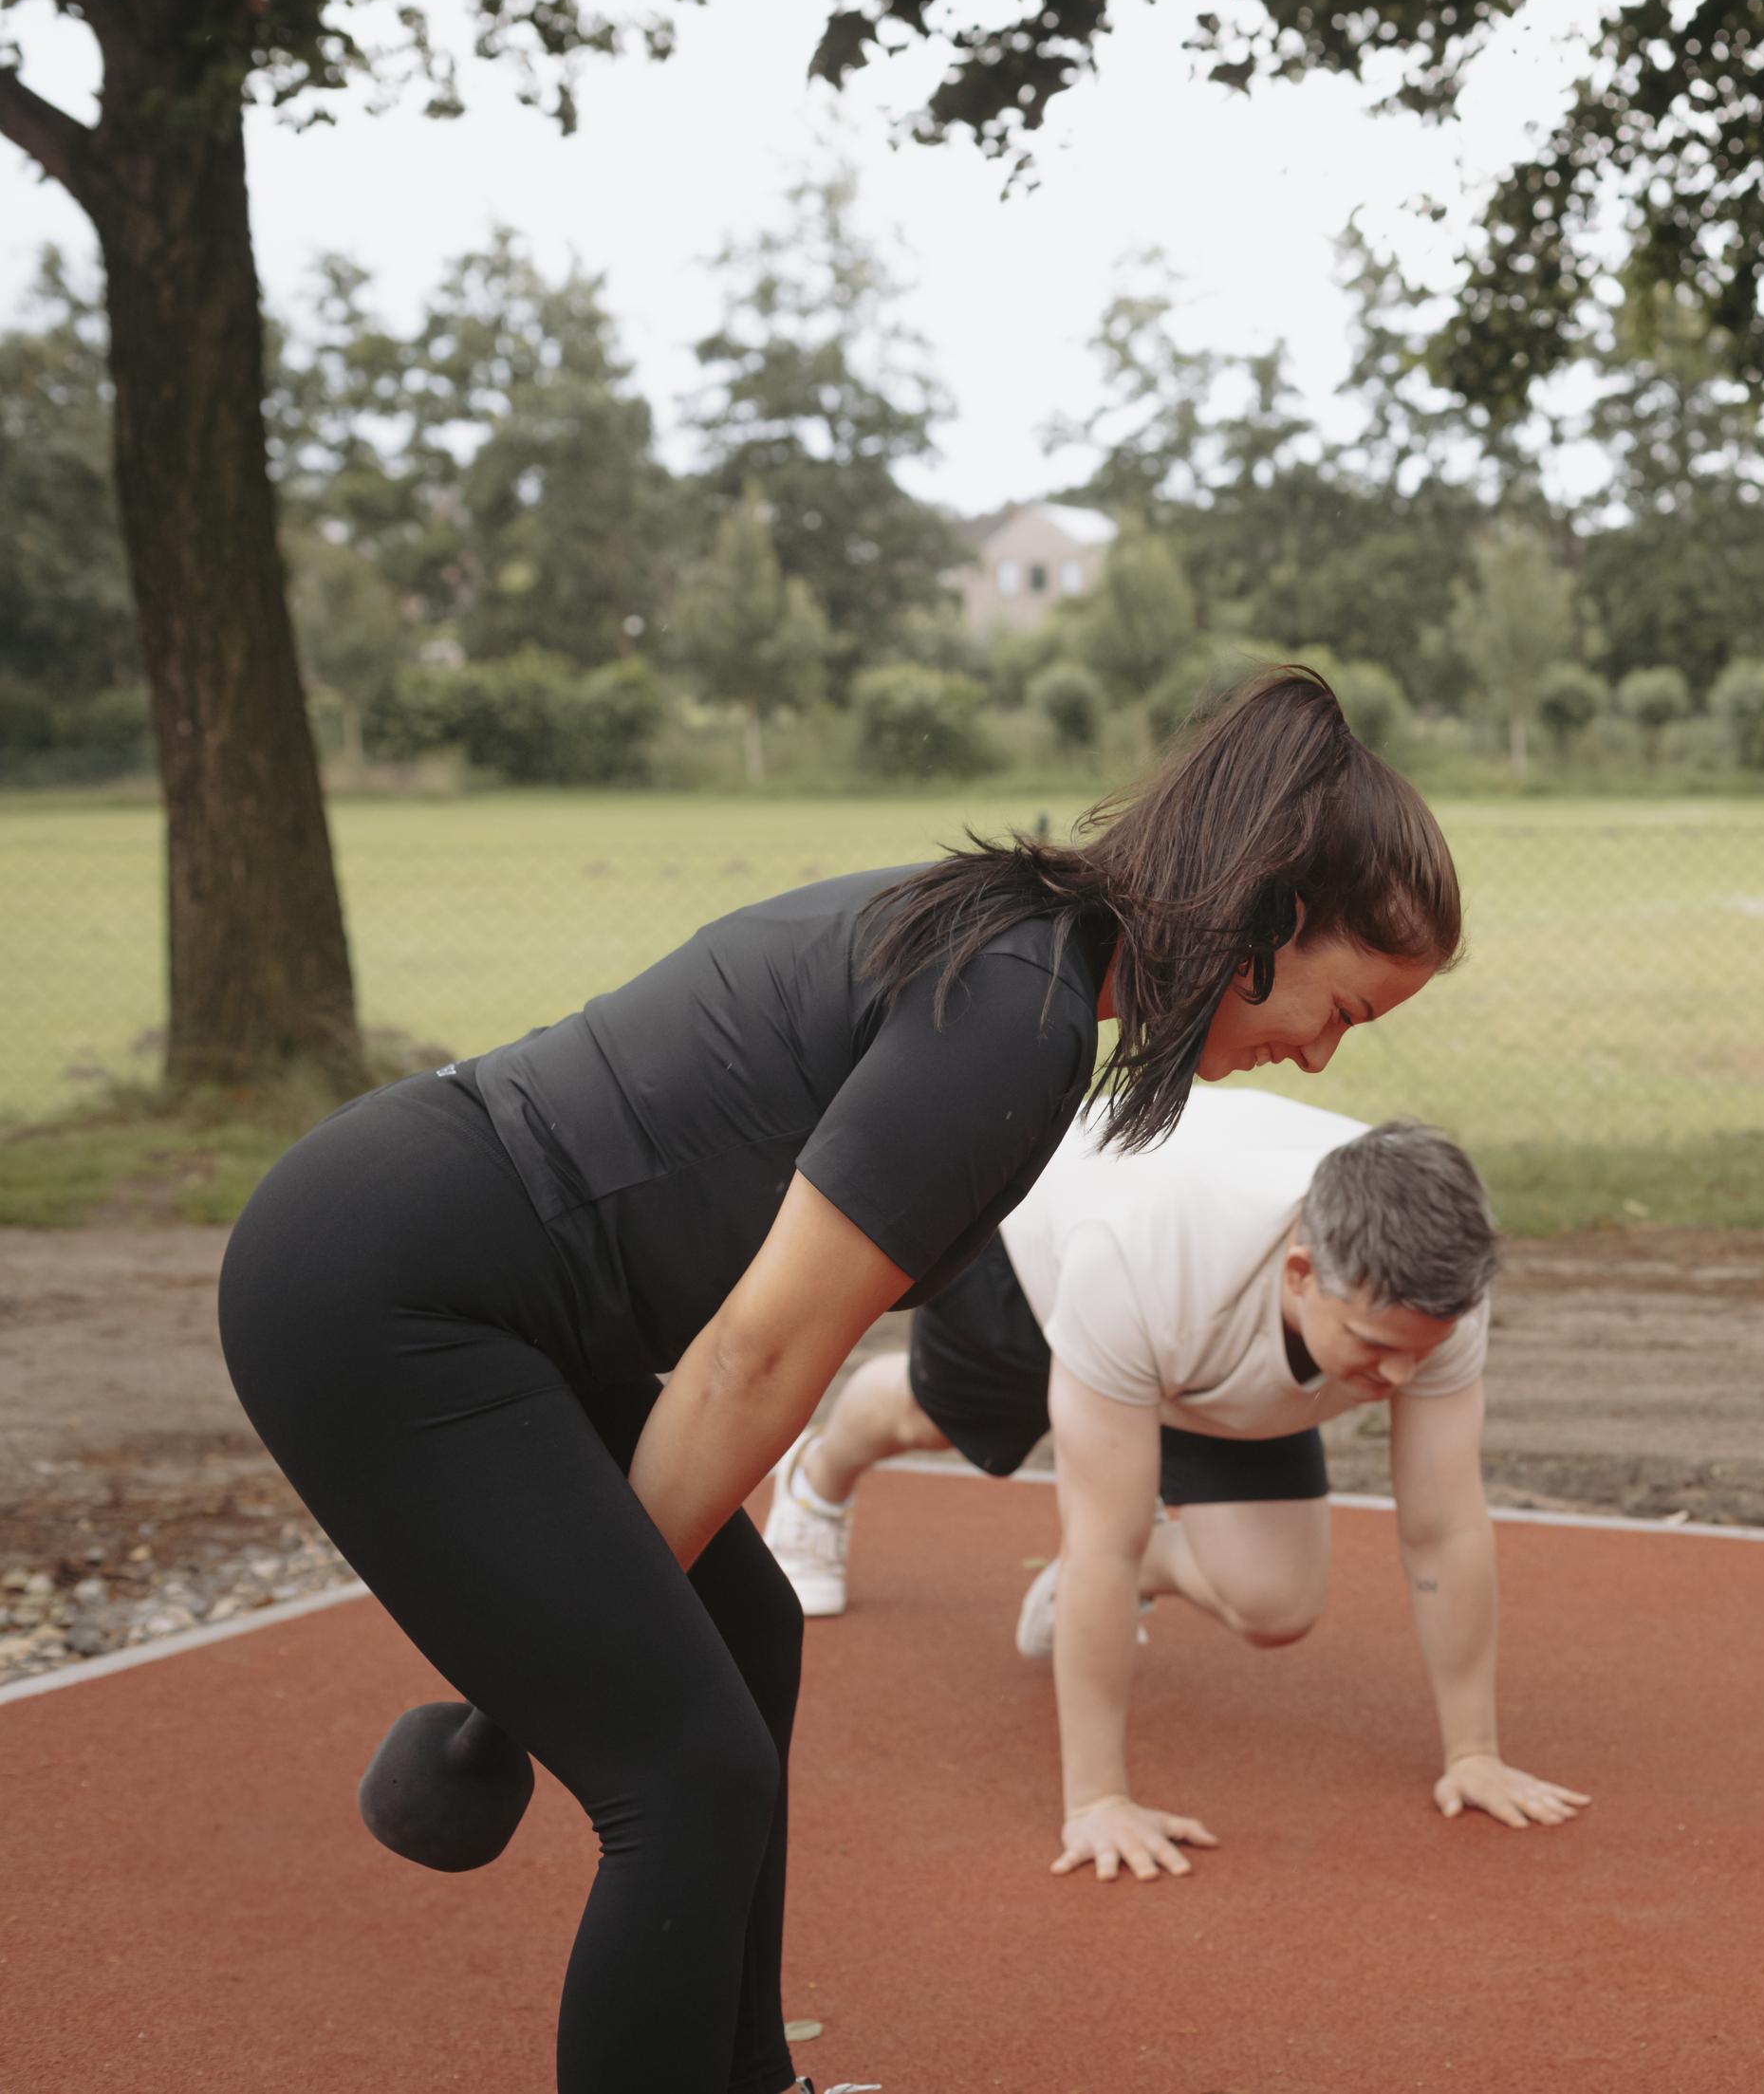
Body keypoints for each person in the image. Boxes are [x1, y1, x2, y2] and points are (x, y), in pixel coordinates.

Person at [216, 671, 1459, 2093]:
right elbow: (753, 1357)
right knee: (685, 1775)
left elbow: (764, 1351)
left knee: (746, 1638)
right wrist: (593, 1628)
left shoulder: (1030, 955)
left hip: (496, 1287)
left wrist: (615, 1613)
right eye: (1341, 1008)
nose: (1319, 1051)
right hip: (389, 1289)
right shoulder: (1016, 1013)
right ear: (1269, 918)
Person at [762, 1087, 1588, 1882]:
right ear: (1301, 1274)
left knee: (1276, 1603)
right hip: (1041, 1247)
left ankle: (1110, 1587)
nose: (1406, 1372)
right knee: (931, 1422)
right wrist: (1098, 1801)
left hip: (1202, 1345)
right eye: (1377, 1346)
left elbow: (1443, 1524)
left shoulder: (1435, 1291)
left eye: (1424, 1346)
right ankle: (818, 1474)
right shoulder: (1142, 1262)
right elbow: (1102, 1544)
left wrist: (1474, 1752)